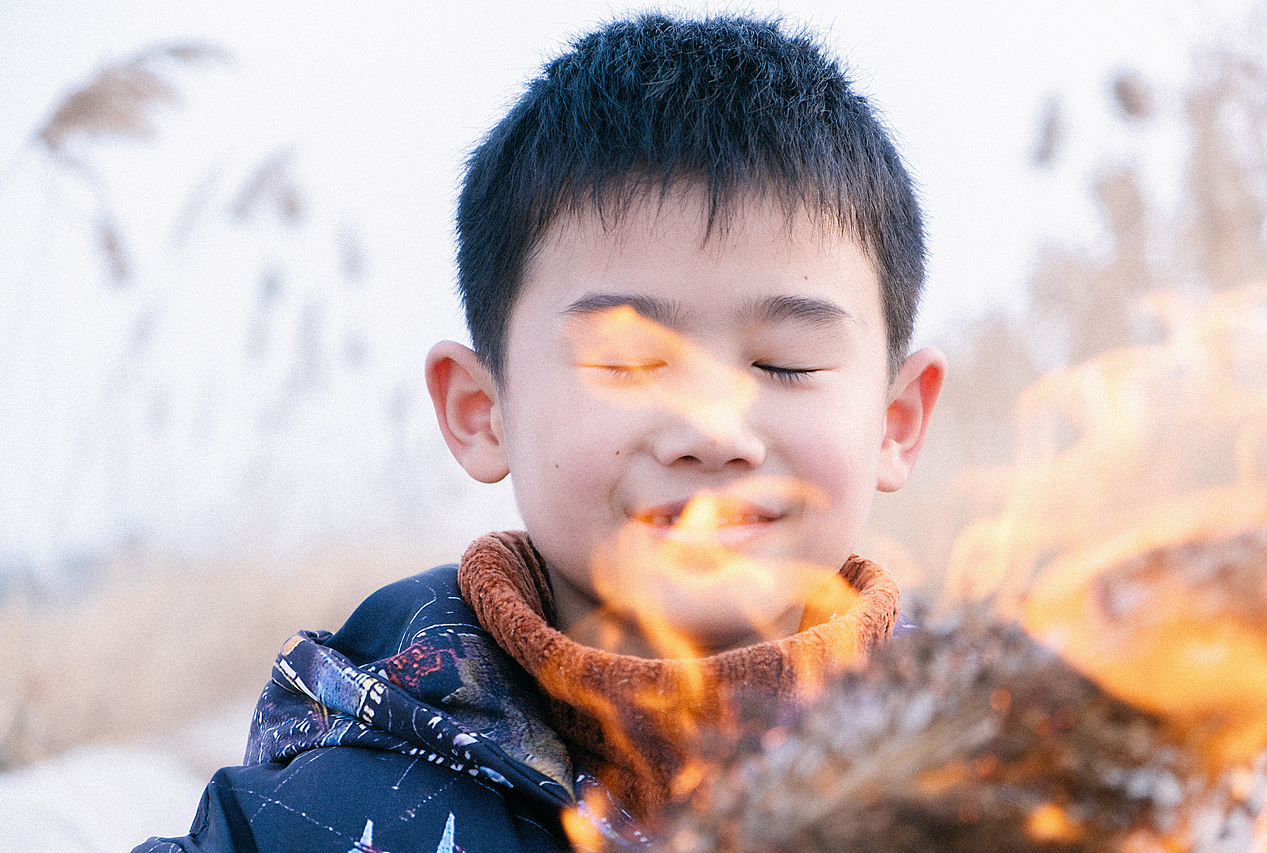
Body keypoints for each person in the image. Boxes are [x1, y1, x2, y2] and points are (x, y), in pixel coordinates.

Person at [135, 13, 944, 853]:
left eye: (785, 363)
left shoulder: (1009, 770)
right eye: (629, 363)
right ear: (481, 410)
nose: (712, 432)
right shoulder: (332, 804)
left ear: (896, 419)